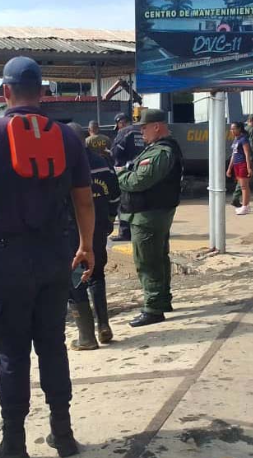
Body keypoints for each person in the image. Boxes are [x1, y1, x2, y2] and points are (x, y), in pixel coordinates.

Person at [0, 56, 95, 458]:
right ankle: (63, 435)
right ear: (43, 92)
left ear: (5, 91)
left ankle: (13, 443)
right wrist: (86, 246)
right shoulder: (68, 136)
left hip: (7, 260)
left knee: (12, 352)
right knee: (53, 345)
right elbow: (84, 200)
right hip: (54, 258)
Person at [118, 109, 183, 328]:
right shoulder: (158, 149)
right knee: (158, 258)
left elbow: (139, 180)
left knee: (147, 262)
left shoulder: (161, 152)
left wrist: (120, 174)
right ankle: (161, 300)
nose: (141, 132)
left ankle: (153, 308)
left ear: (157, 126)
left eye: (144, 128)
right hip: (152, 212)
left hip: (148, 215)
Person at [66, 123, 121, 350]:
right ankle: (103, 326)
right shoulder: (102, 162)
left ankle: (86, 337)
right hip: (98, 228)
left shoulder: (64, 166)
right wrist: (109, 219)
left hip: (72, 231)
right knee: (97, 274)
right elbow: (115, 194)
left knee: (75, 279)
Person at [111, 113, 146, 242]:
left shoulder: (124, 132)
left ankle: (125, 233)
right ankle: (138, 230)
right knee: (139, 202)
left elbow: (115, 152)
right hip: (141, 171)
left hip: (125, 172)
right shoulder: (141, 130)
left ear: (121, 122)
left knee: (124, 203)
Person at [227, 122, 253, 216]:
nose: (232, 131)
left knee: (244, 186)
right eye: (231, 129)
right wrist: (229, 168)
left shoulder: (243, 139)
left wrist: (248, 167)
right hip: (236, 164)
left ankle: (245, 206)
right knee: (244, 186)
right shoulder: (236, 140)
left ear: (239, 129)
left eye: (233, 129)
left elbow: (247, 154)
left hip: (242, 164)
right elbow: (233, 155)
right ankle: (246, 206)